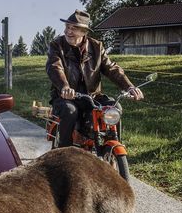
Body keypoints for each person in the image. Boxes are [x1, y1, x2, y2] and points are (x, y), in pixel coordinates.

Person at [46, 9, 143, 148]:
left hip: (92, 96)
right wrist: (64, 87)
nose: (68, 31)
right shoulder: (57, 45)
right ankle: (63, 151)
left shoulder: (96, 47)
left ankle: (113, 146)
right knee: (70, 111)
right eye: (67, 27)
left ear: (84, 32)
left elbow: (111, 68)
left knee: (115, 107)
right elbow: (54, 67)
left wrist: (129, 87)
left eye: (74, 28)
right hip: (66, 96)